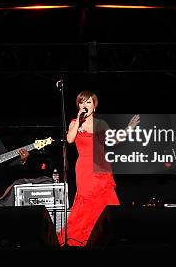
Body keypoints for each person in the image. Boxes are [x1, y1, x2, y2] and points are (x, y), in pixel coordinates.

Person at [61, 91, 139, 246]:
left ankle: (104, 238)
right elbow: (69, 139)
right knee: (86, 201)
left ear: (94, 107)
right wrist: (78, 119)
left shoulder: (100, 124)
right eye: (82, 102)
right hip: (84, 168)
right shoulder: (74, 122)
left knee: (104, 201)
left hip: (101, 167)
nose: (85, 105)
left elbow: (114, 140)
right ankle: (82, 238)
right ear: (78, 105)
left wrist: (129, 128)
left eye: (89, 102)